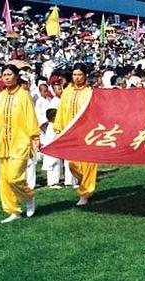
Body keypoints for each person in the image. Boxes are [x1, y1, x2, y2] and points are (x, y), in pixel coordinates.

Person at [0, 64, 39, 223]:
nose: (6, 77)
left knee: (15, 177)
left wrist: (34, 137)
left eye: (9, 74)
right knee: (5, 180)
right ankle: (13, 211)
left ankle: (28, 197)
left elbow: (30, 117)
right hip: (2, 143)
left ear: (16, 76)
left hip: (20, 142)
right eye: (4, 75)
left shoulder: (24, 95)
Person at [54, 63, 98, 205]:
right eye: (74, 75)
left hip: (87, 133)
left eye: (79, 74)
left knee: (88, 163)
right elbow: (61, 110)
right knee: (72, 164)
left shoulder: (90, 92)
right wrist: (58, 129)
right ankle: (84, 182)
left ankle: (85, 194)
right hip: (70, 132)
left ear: (85, 75)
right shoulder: (67, 91)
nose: (77, 77)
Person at [42, 108, 61, 188]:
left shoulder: (51, 126)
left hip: (54, 149)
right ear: (53, 118)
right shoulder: (52, 127)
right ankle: (51, 183)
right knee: (52, 166)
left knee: (56, 165)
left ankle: (55, 182)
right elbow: (53, 138)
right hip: (51, 149)